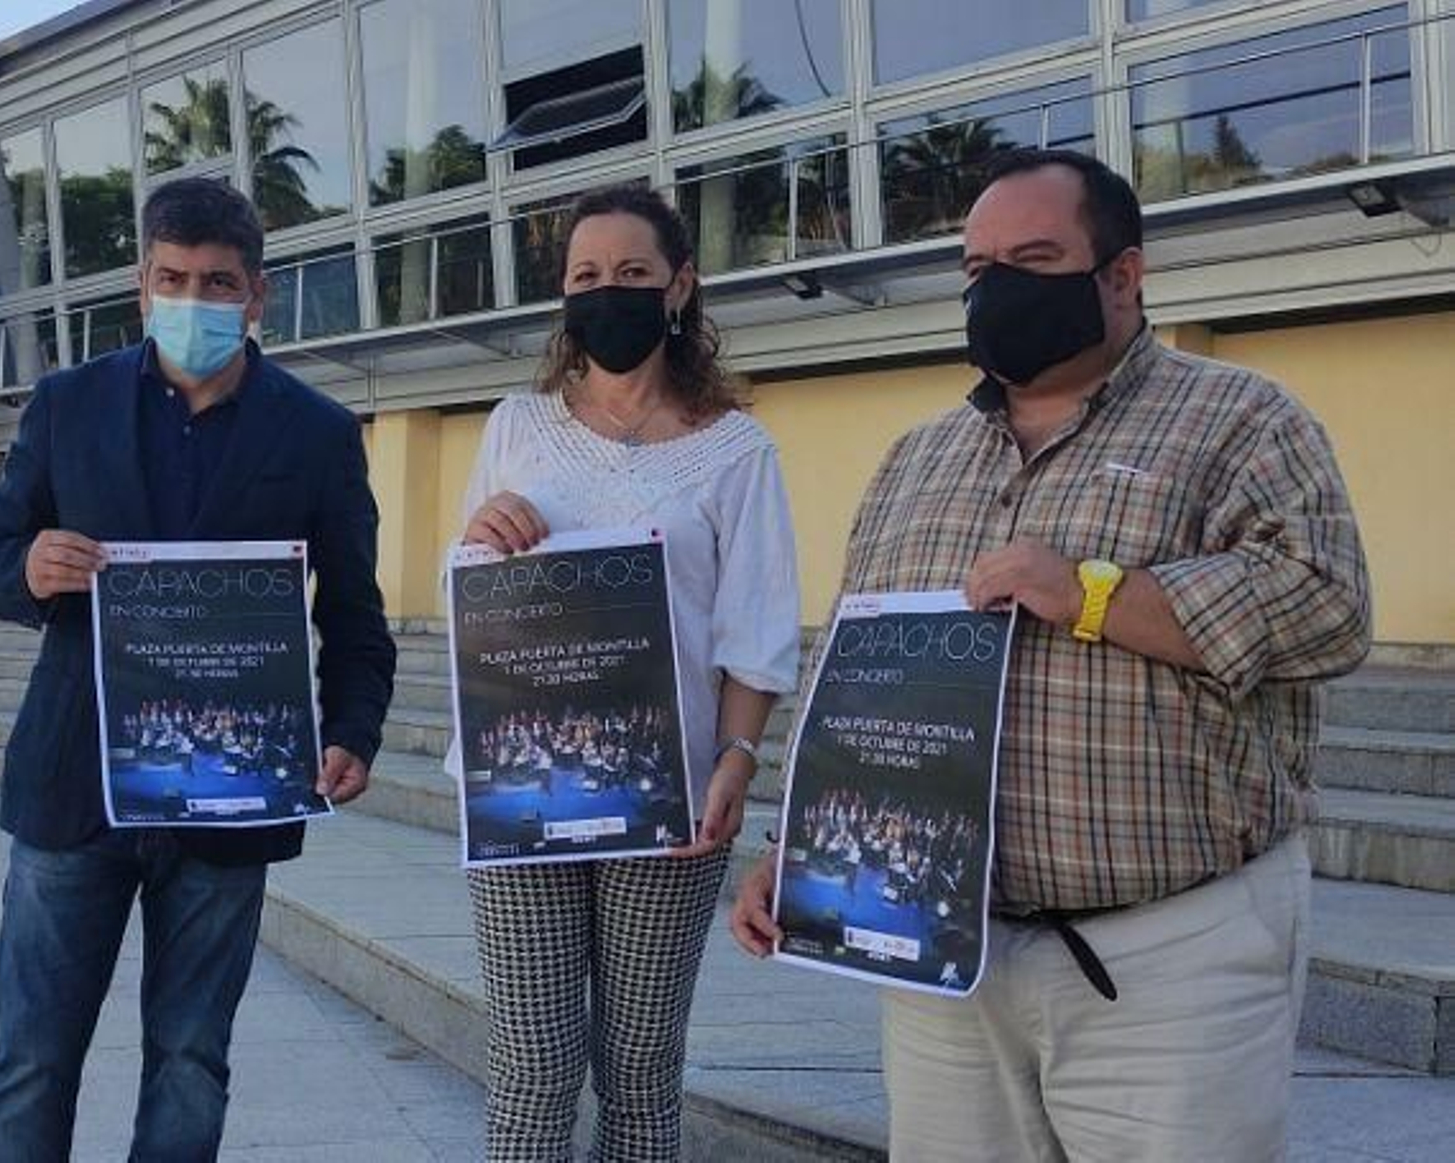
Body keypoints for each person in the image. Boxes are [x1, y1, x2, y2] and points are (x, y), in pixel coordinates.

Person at [731, 149, 1371, 1162]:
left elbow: (1328, 608)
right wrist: (801, 844)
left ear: (1122, 274)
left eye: (1032, 257)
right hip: (948, 952)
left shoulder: (1241, 418)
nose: (997, 288)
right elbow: (856, 670)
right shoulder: (915, 455)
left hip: (1168, 952)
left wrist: (1093, 593)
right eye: (979, 269)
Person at [0, 177, 396, 1162]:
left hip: (230, 795)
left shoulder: (318, 433)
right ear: (140, 281)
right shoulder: (67, 404)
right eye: (172, 278)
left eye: (216, 283)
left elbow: (357, 618)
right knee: (30, 1056)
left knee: (192, 1058)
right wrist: (27, 568)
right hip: (72, 787)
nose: (192, 299)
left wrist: (352, 730)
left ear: (257, 296)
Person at [458, 183, 800, 1160]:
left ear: (679, 286)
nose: (609, 292)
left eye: (633, 274)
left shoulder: (737, 451)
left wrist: (736, 758)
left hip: (670, 796)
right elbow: (474, 595)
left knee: (643, 1068)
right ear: (564, 297)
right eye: (587, 276)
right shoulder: (516, 427)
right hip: (521, 788)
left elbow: (757, 626)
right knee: (530, 1062)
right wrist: (482, 537)